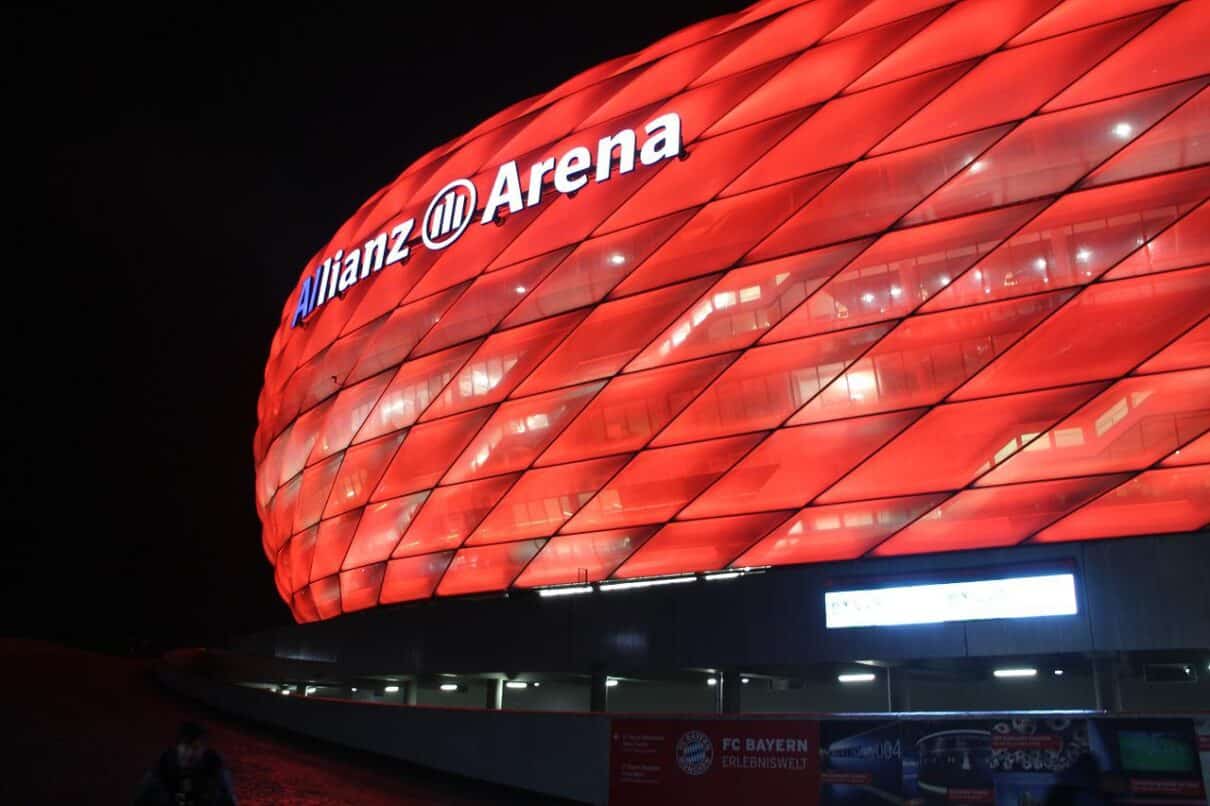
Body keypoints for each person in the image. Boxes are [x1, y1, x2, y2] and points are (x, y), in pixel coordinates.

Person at [134, 721, 237, 805]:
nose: (189, 753)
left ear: (203, 750)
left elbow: (228, 801)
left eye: (195, 748)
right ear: (177, 746)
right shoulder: (161, 768)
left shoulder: (216, 771)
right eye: (186, 746)